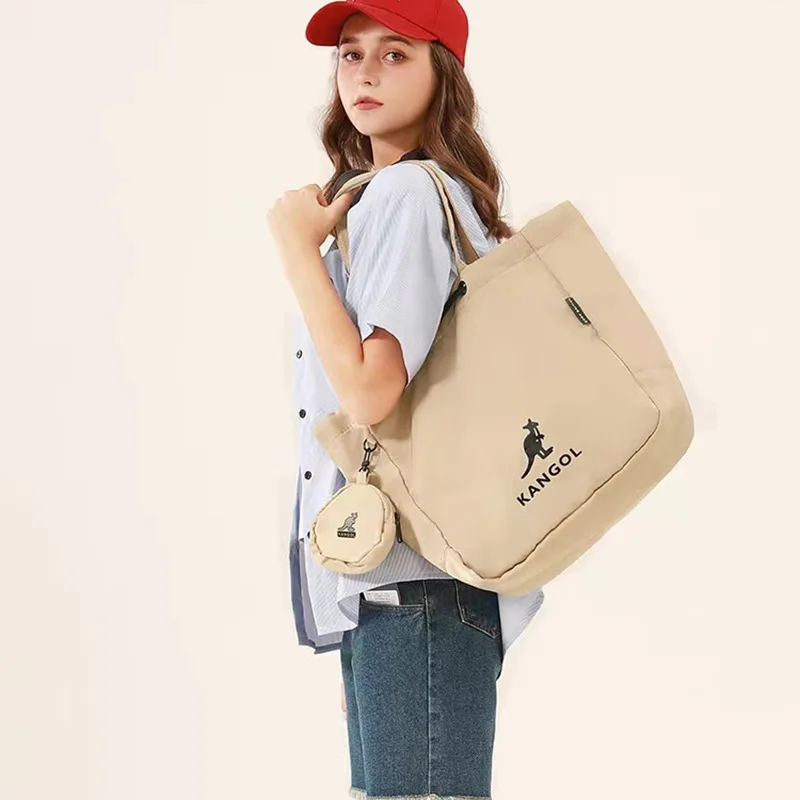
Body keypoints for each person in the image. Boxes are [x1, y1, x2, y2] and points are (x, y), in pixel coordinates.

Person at [267, 1, 545, 798]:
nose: (365, 73)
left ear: (441, 72)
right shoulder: (420, 197)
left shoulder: (407, 196)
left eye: (396, 54)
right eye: (351, 54)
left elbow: (370, 392)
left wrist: (298, 253)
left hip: (415, 586)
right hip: (408, 587)